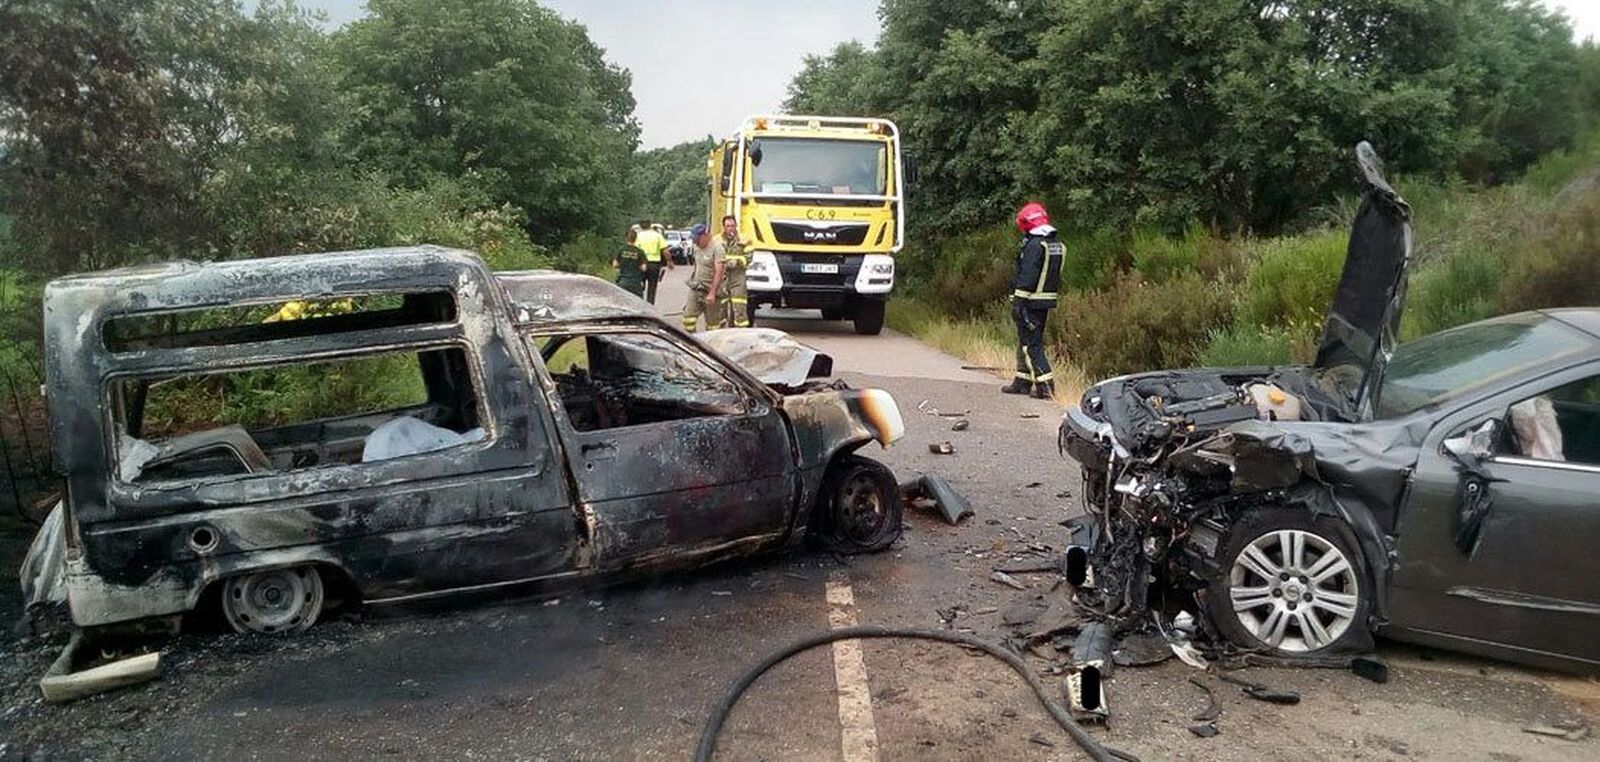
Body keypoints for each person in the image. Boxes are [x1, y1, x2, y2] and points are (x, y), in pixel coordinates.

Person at [1001, 202, 1064, 399]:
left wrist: (1018, 302)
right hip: (1045, 301)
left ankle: (1045, 385)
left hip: (1029, 301)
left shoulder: (1034, 245)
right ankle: (1022, 381)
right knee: (1026, 341)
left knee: (1031, 344)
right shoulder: (1055, 244)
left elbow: (1027, 276)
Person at [681, 223, 725, 332]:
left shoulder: (717, 248)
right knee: (688, 320)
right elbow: (697, 266)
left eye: (697, 240)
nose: (695, 242)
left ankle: (710, 343)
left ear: (705, 235)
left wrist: (712, 293)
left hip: (710, 290)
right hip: (697, 288)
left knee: (712, 327)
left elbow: (719, 272)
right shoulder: (696, 247)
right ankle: (692, 340)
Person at [718, 214, 751, 328]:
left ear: (736, 225)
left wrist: (737, 262)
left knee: (739, 306)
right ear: (724, 227)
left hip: (738, 277)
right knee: (720, 308)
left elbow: (749, 257)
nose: (730, 228)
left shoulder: (745, 240)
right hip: (722, 277)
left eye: (732, 226)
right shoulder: (717, 240)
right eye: (728, 226)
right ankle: (720, 332)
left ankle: (740, 332)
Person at [634, 219, 671, 304]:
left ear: (640, 226)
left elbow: (635, 250)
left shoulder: (638, 236)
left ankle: (639, 304)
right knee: (652, 287)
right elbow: (665, 251)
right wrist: (669, 261)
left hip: (641, 264)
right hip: (654, 264)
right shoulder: (657, 235)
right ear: (650, 225)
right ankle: (650, 305)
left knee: (638, 286)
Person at [612, 227, 647, 298]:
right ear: (635, 238)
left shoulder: (621, 250)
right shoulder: (640, 252)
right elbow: (644, 268)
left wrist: (622, 264)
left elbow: (615, 265)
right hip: (635, 283)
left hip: (623, 282)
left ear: (626, 238)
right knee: (638, 302)